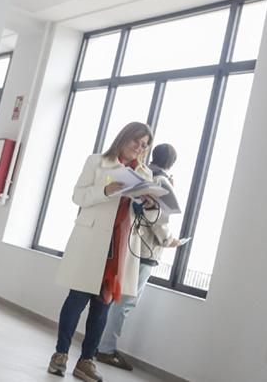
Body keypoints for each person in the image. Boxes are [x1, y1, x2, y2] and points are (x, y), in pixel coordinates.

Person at [48, 121, 153, 382]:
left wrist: (149, 205)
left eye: (144, 145)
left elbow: (144, 217)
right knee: (77, 299)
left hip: (119, 246)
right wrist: (106, 190)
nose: (139, 148)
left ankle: (86, 361)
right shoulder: (97, 162)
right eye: (136, 141)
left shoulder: (145, 174)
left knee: (102, 306)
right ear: (124, 137)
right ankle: (60, 355)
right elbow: (78, 196)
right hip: (92, 240)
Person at [95, 143, 183, 371]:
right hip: (144, 250)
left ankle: (99, 344)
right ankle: (106, 348)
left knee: (114, 297)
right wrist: (169, 240)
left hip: (128, 243)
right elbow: (158, 219)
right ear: (172, 163)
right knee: (125, 302)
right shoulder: (161, 181)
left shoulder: (142, 174)